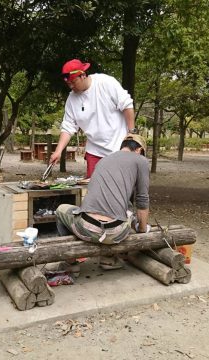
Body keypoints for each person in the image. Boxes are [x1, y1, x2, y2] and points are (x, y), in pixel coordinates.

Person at [55, 134, 150, 270]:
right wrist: (142, 230)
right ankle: (109, 259)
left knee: (60, 210)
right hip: (117, 232)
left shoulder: (103, 160)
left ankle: (71, 264)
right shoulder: (141, 160)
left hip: (85, 227)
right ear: (139, 150)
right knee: (128, 210)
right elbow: (142, 199)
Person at [50, 59, 137, 178]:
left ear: (83, 75)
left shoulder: (105, 83)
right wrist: (58, 151)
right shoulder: (72, 99)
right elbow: (68, 126)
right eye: (68, 84)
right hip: (94, 152)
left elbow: (127, 105)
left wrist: (132, 135)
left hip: (119, 148)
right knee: (94, 189)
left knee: (118, 190)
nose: (71, 86)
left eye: (73, 82)